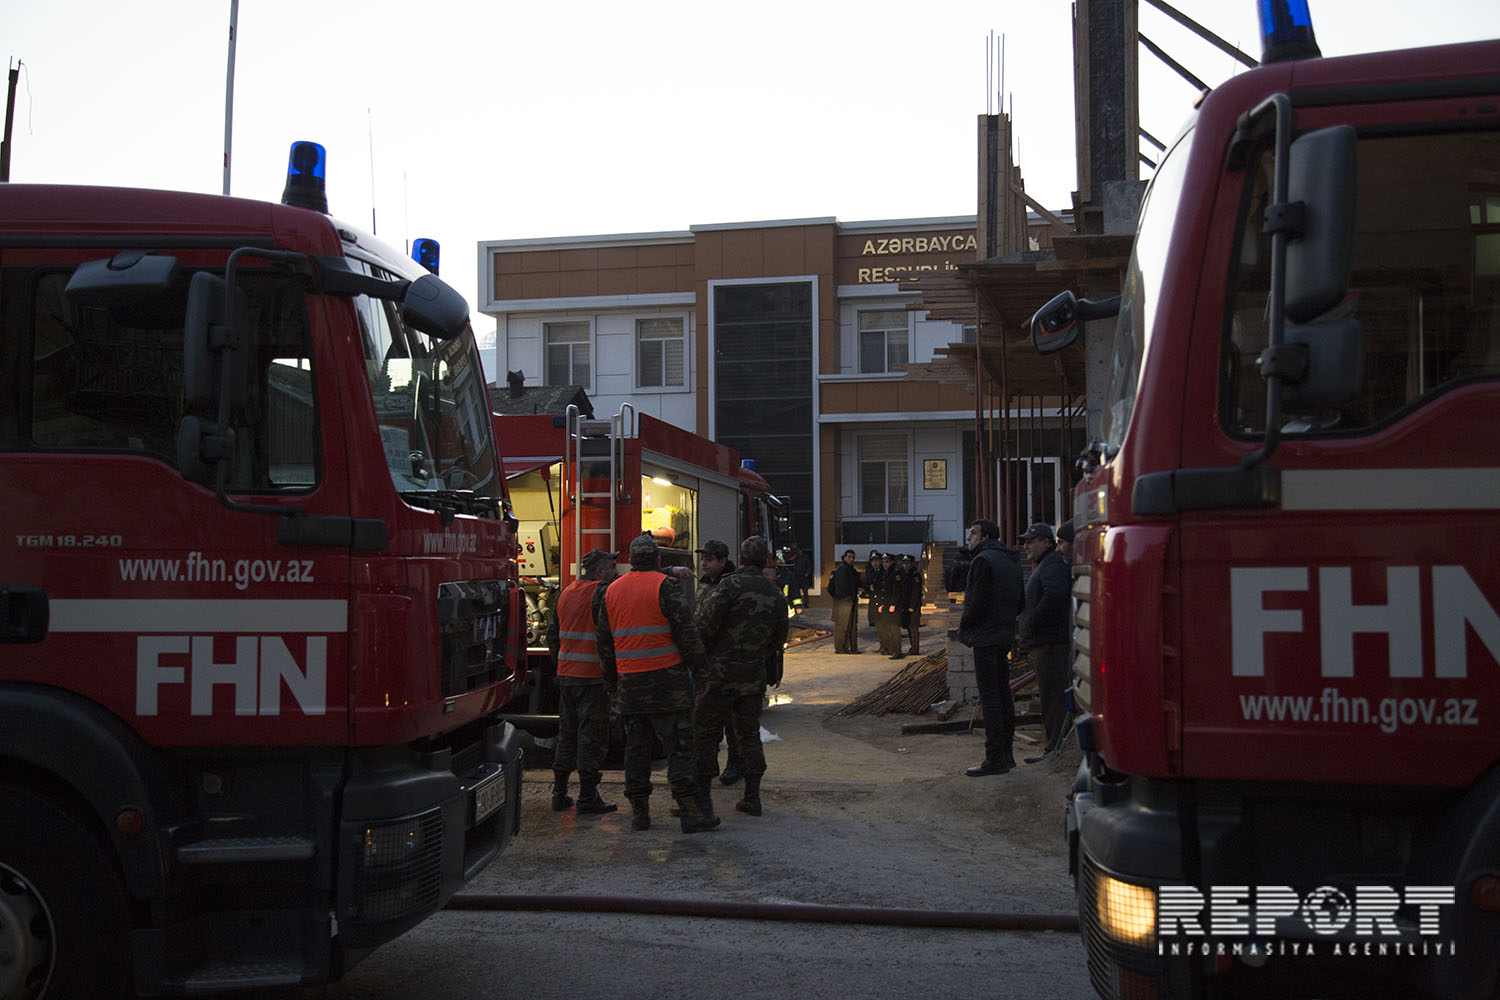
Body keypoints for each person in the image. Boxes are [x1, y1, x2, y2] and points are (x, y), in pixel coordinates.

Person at [597, 534, 719, 833]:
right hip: (667, 683)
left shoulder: (612, 591)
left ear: (631, 560)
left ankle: (640, 813)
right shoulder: (665, 586)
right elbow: (686, 633)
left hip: (630, 686)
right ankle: (690, 812)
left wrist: (612, 683)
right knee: (679, 748)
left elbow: (604, 644)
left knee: (636, 750)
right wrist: (701, 672)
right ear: (658, 560)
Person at [694, 535, 789, 817]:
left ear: (742, 557)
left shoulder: (729, 585)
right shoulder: (775, 594)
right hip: (752, 676)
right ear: (765, 560)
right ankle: (752, 796)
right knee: (748, 735)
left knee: (706, 733)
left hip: (719, 675)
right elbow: (778, 640)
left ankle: (701, 802)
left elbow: (703, 624)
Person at [546, 547, 621, 815]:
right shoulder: (600, 592)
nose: (616, 572)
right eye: (612, 567)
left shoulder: (565, 592)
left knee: (567, 734)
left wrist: (560, 666)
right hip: (590, 678)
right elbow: (606, 638)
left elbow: (551, 634)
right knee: (592, 737)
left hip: (567, 676)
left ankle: (559, 792)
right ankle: (588, 796)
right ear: (600, 571)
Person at [958, 519, 1024, 776]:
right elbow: (1020, 602)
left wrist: (965, 626)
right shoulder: (1011, 560)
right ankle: (1007, 756)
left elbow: (976, 602)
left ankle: (994, 758)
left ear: (985, 536)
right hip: (1003, 635)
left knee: (991, 699)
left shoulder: (983, 561)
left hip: (985, 637)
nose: (969, 538)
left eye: (973, 533)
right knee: (1003, 695)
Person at [1017, 523, 1073, 763]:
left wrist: (1031, 623)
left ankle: (1054, 749)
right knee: (1049, 697)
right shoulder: (1045, 565)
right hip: (1045, 642)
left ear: (1045, 542)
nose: (1026, 546)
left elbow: (1054, 597)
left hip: (1049, 644)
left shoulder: (1052, 566)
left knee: (1053, 699)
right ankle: (1052, 747)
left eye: (1031, 541)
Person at [694, 539, 744, 786]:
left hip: (729, 663)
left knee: (733, 720)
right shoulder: (703, 585)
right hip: (707, 663)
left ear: (723, 561)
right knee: (706, 721)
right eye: (702, 559)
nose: (704, 563)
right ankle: (707, 768)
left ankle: (735, 763)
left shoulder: (733, 586)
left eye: (710, 559)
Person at [828, 549, 862, 654]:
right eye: (849, 557)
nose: (851, 559)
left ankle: (851, 648)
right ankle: (841, 648)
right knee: (842, 627)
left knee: (852, 626)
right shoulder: (841, 570)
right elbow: (831, 589)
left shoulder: (852, 571)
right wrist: (840, 598)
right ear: (844, 557)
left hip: (851, 602)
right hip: (843, 602)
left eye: (853, 557)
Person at [874, 553, 904, 658]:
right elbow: (882, 591)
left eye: (887, 562)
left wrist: (893, 604)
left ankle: (897, 651)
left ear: (891, 562)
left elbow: (897, 590)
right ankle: (890, 649)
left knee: (894, 628)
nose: (884, 564)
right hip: (886, 605)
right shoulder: (884, 573)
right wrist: (881, 604)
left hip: (893, 606)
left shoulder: (895, 573)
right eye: (883, 562)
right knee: (887, 628)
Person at [899, 552, 924, 656]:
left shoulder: (915, 575)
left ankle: (915, 649)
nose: (906, 565)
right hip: (906, 605)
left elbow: (916, 592)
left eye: (908, 563)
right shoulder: (906, 574)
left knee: (914, 628)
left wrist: (912, 606)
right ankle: (912, 647)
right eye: (904, 563)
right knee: (909, 627)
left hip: (913, 606)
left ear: (912, 563)